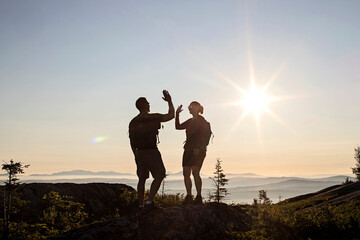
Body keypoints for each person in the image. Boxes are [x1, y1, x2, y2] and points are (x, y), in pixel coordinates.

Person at [129, 90, 174, 209]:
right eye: (148, 103)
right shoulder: (153, 118)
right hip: (151, 151)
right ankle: (149, 202)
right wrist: (169, 101)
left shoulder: (133, 122)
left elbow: (131, 141)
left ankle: (140, 205)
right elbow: (171, 115)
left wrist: (136, 155)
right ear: (146, 106)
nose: (149, 104)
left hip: (139, 152)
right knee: (159, 175)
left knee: (142, 179)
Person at [175, 101, 211, 204]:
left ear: (196, 108)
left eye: (191, 106)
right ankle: (189, 196)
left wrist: (197, 148)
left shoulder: (202, 121)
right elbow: (178, 127)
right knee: (186, 173)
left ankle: (198, 196)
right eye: (189, 107)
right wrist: (177, 114)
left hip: (198, 150)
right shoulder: (190, 121)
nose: (189, 108)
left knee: (195, 172)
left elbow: (203, 136)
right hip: (188, 149)